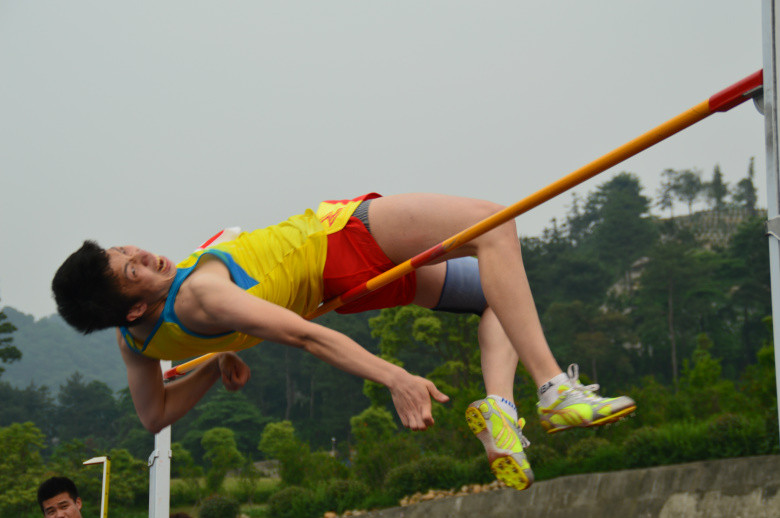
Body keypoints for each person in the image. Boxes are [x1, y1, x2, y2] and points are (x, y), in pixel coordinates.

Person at [52, 192, 635, 490]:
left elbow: (155, 416)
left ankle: (501, 413)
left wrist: (215, 361)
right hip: (341, 239)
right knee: (495, 221)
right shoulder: (202, 296)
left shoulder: (138, 341)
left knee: (492, 297)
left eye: (125, 250)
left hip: (342, 286)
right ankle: (553, 387)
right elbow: (306, 338)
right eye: (133, 272)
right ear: (133, 304)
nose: (143, 256)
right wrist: (395, 376)